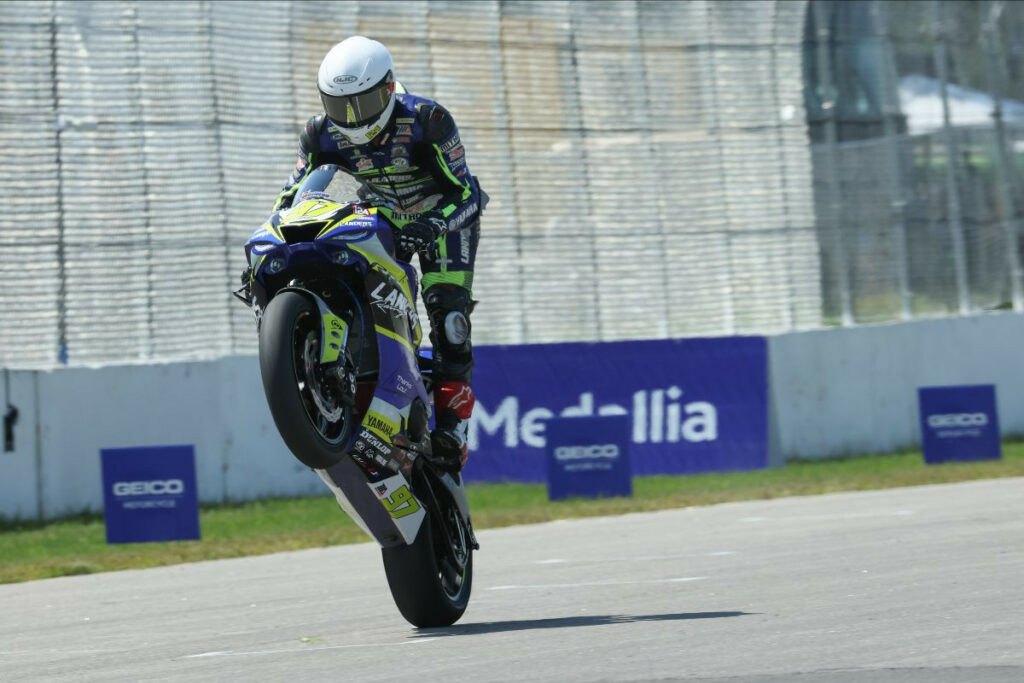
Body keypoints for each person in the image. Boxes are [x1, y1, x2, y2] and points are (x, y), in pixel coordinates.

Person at [273, 36, 482, 471]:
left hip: (441, 221)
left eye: (362, 103)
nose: (351, 118)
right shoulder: (317, 133)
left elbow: (467, 193)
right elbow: (290, 196)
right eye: (339, 105)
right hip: (376, 218)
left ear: (388, 89)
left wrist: (434, 224)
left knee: (450, 322)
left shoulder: (428, 119)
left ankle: (453, 430)